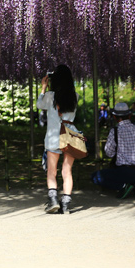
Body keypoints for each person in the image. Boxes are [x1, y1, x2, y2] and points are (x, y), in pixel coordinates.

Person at [36, 64, 79, 215]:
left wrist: (43, 88)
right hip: (70, 137)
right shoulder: (75, 96)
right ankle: (66, 204)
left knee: (52, 172)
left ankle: (53, 201)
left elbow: (39, 105)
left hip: (54, 137)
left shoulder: (49, 96)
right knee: (67, 172)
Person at [91, 102, 135, 199]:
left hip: (124, 171)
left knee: (95, 176)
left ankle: (123, 186)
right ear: (130, 115)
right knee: (130, 176)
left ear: (114, 117)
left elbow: (109, 153)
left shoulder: (115, 131)